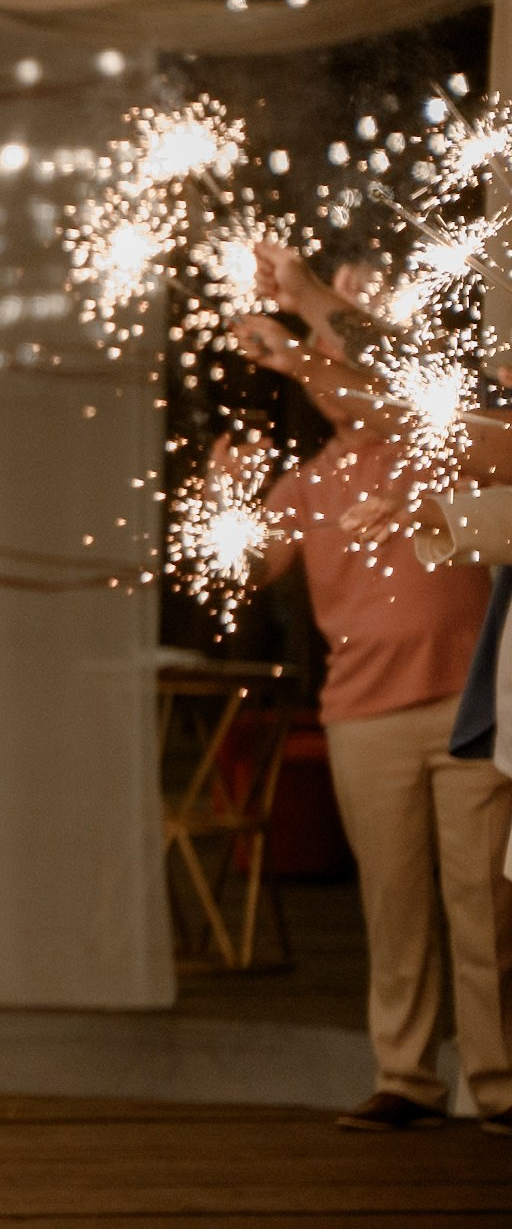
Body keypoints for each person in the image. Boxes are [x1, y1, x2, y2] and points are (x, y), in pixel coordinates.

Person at [225, 297, 512, 1136]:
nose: (330, 380)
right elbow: (244, 572)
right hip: (362, 716)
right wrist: (228, 497)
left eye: (338, 360)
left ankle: (498, 1084)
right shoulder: (306, 484)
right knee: (393, 903)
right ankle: (406, 1075)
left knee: (482, 907)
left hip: (469, 709)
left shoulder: (446, 448)